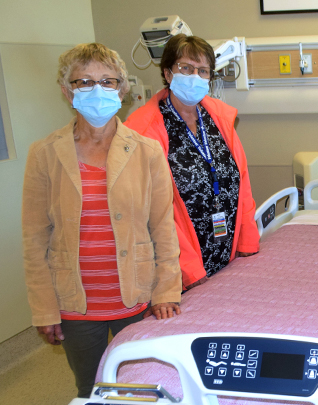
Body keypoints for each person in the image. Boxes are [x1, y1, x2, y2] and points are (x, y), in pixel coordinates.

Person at [22, 43, 182, 398]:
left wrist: (167, 290)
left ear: (122, 90)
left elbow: (163, 227)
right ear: (67, 91)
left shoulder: (146, 151)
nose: (97, 90)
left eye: (107, 81)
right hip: (75, 304)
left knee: (141, 390)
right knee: (91, 389)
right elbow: (34, 239)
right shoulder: (44, 154)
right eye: (84, 82)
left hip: (137, 297)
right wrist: (44, 308)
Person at [125, 34, 259, 290]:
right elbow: (152, 212)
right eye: (185, 68)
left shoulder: (218, 117)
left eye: (203, 71)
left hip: (227, 253)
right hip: (179, 266)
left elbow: (240, 181)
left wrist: (247, 241)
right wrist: (189, 269)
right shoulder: (143, 129)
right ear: (167, 73)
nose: (194, 76)